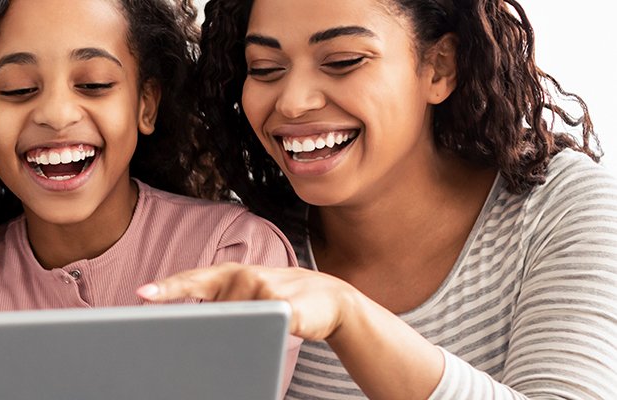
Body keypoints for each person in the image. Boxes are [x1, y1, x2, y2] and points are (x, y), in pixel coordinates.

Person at [136, 0, 617, 398]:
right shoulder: (242, 247)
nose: (293, 102)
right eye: (264, 68)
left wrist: (347, 315)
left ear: (439, 68)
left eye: (343, 61)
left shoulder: (562, 211)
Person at [0, 0, 300, 392]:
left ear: (146, 105)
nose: (57, 114)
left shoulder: (236, 256)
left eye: (94, 84)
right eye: (17, 89)